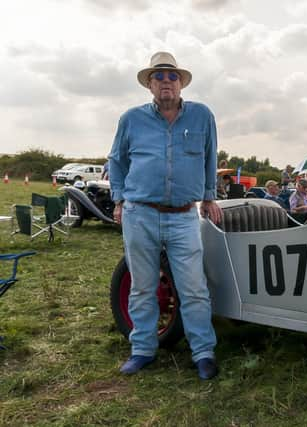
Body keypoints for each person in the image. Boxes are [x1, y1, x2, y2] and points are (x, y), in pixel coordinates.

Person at [108, 51, 221, 380]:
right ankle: (142, 349)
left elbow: (210, 156)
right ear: (149, 84)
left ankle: (203, 352)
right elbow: (117, 161)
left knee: (194, 287)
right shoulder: (131, 119)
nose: (166, 82)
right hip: (140, 214)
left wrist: (209, 197)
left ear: (181, 83)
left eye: (172, 76)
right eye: (159, 76)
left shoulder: (201, 116)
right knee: (142, 287)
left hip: (184, 216)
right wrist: (118, 200)